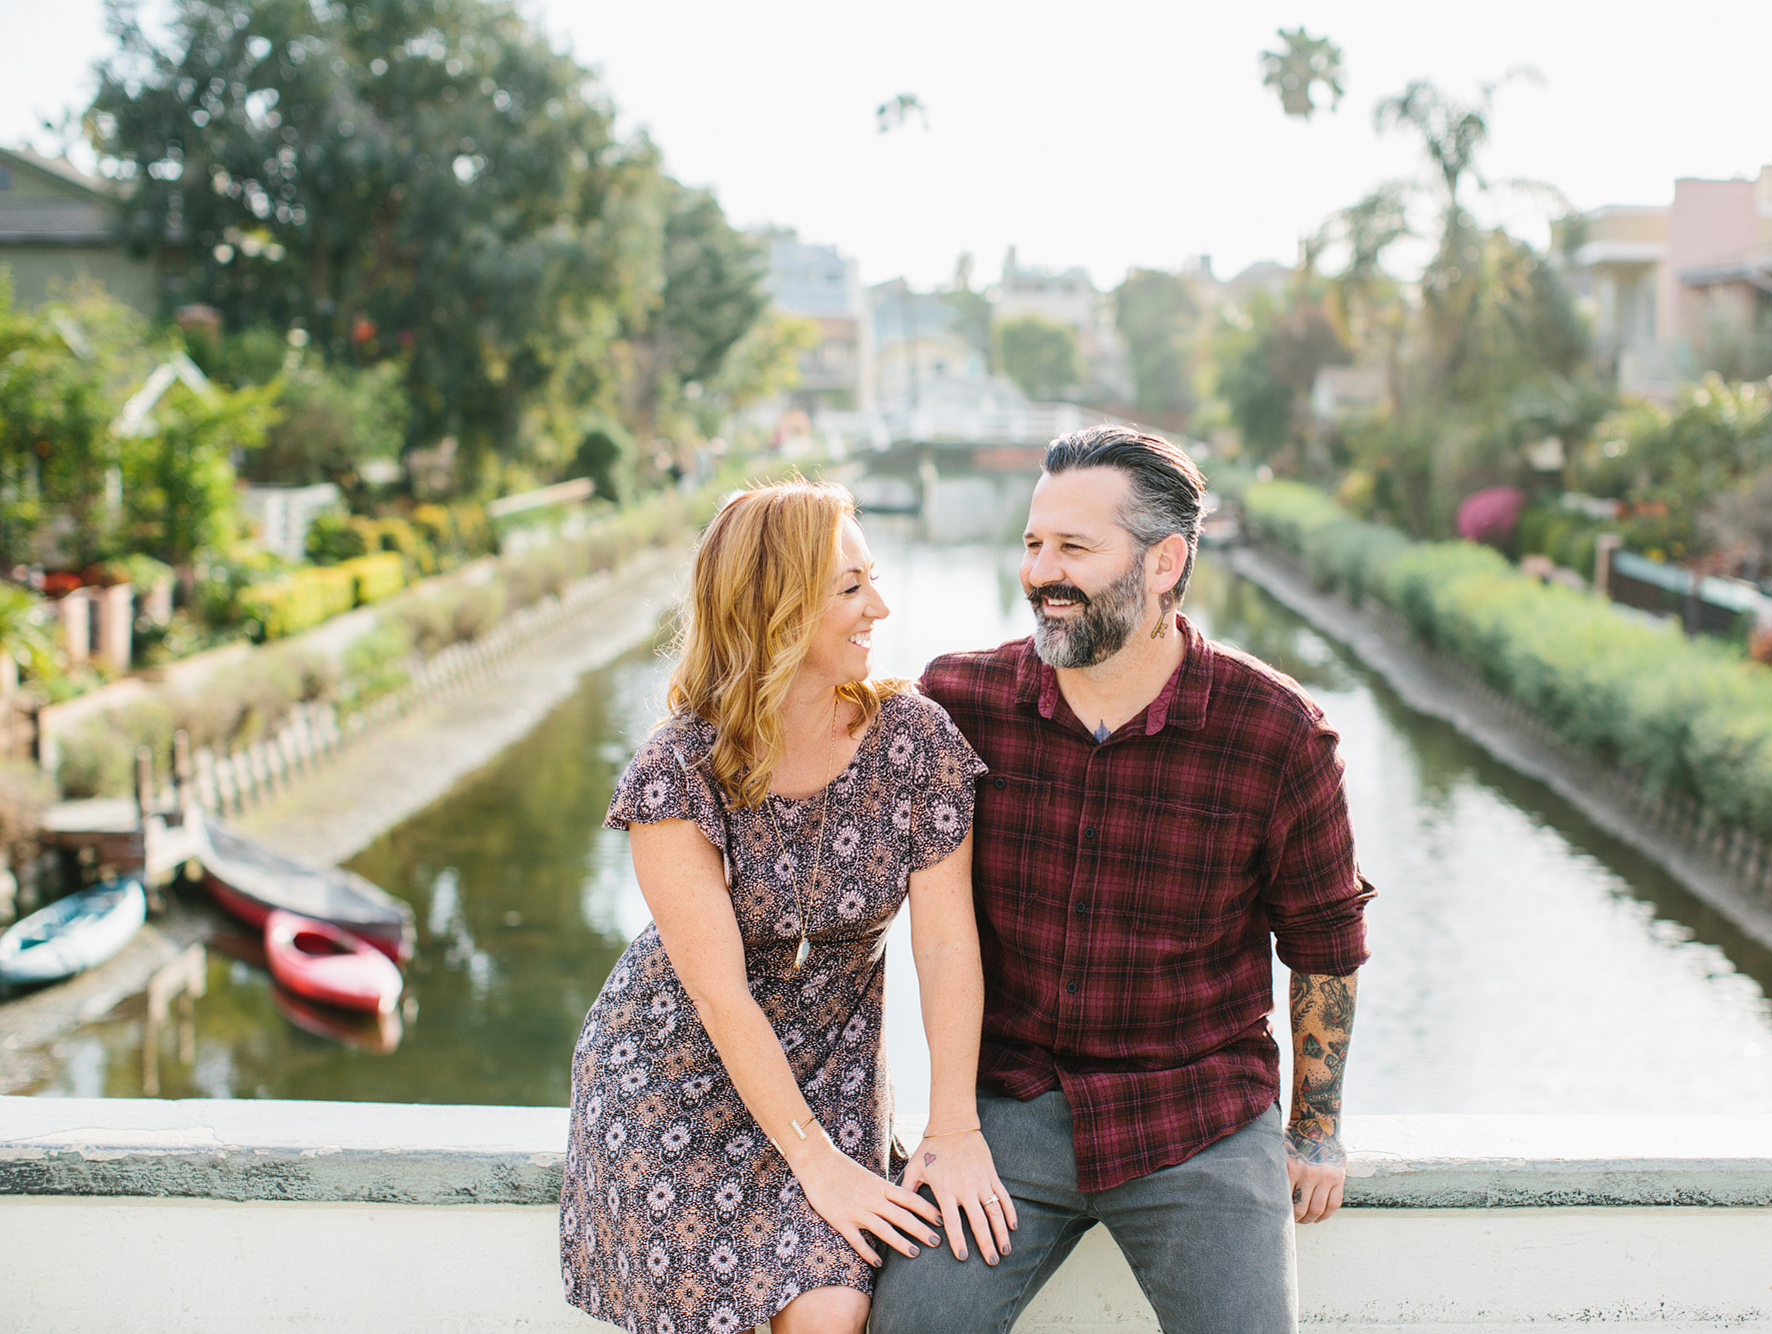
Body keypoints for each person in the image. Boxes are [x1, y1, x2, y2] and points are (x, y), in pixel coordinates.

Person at [871, 427, 1373, 1334]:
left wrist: (1315, 1129)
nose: (1039, 573)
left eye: (1073, 548)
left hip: (1198, 1121)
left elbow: (1326, 948)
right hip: (1006, 1116)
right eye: (1032, 544)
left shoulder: (1279, 734)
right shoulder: (958, 701)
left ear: (1164, 561)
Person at [562, 480, 1015, 1334]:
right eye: (849, 588)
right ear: (774, 610)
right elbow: (718, 996)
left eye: (871, 578)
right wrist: (815, 1163)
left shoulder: (914, 742)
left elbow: (949, 947)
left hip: (833, 1060)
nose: (879, 605)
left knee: (832, 1310)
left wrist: (953, 1124)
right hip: (674, 1073)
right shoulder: (676, 771)